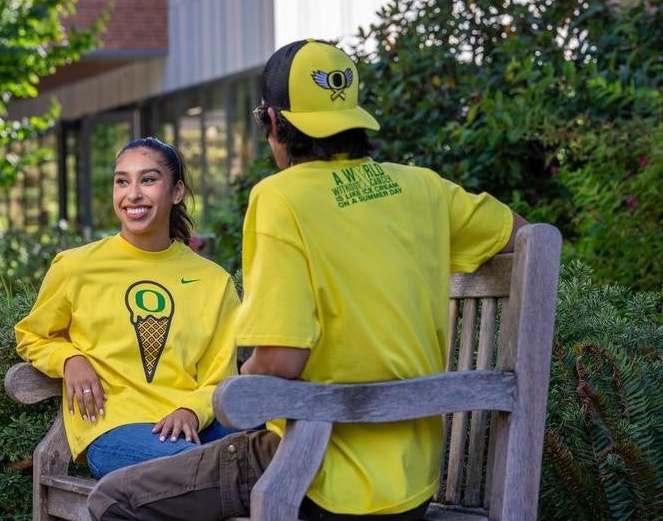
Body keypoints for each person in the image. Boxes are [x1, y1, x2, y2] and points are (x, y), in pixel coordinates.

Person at [87, 39, 528, 519]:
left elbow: (281, 360)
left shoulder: (281, 197)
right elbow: (530, 236)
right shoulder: (424, 187)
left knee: (114, 499)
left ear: (273, 121)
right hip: (412, 483)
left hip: (315, 471)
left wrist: (243, 380)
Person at [15, 137, 240, 478]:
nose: (132, 193)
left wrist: (190, 411)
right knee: (203, 466)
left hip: (196, 425)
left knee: (269, 438)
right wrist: (69, 359)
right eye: (122, 181)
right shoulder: (77, 267)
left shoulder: (213, 281)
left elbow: (221, 376)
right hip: (115, 430)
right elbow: (31, 335)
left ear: (176, 192)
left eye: (148, 180)